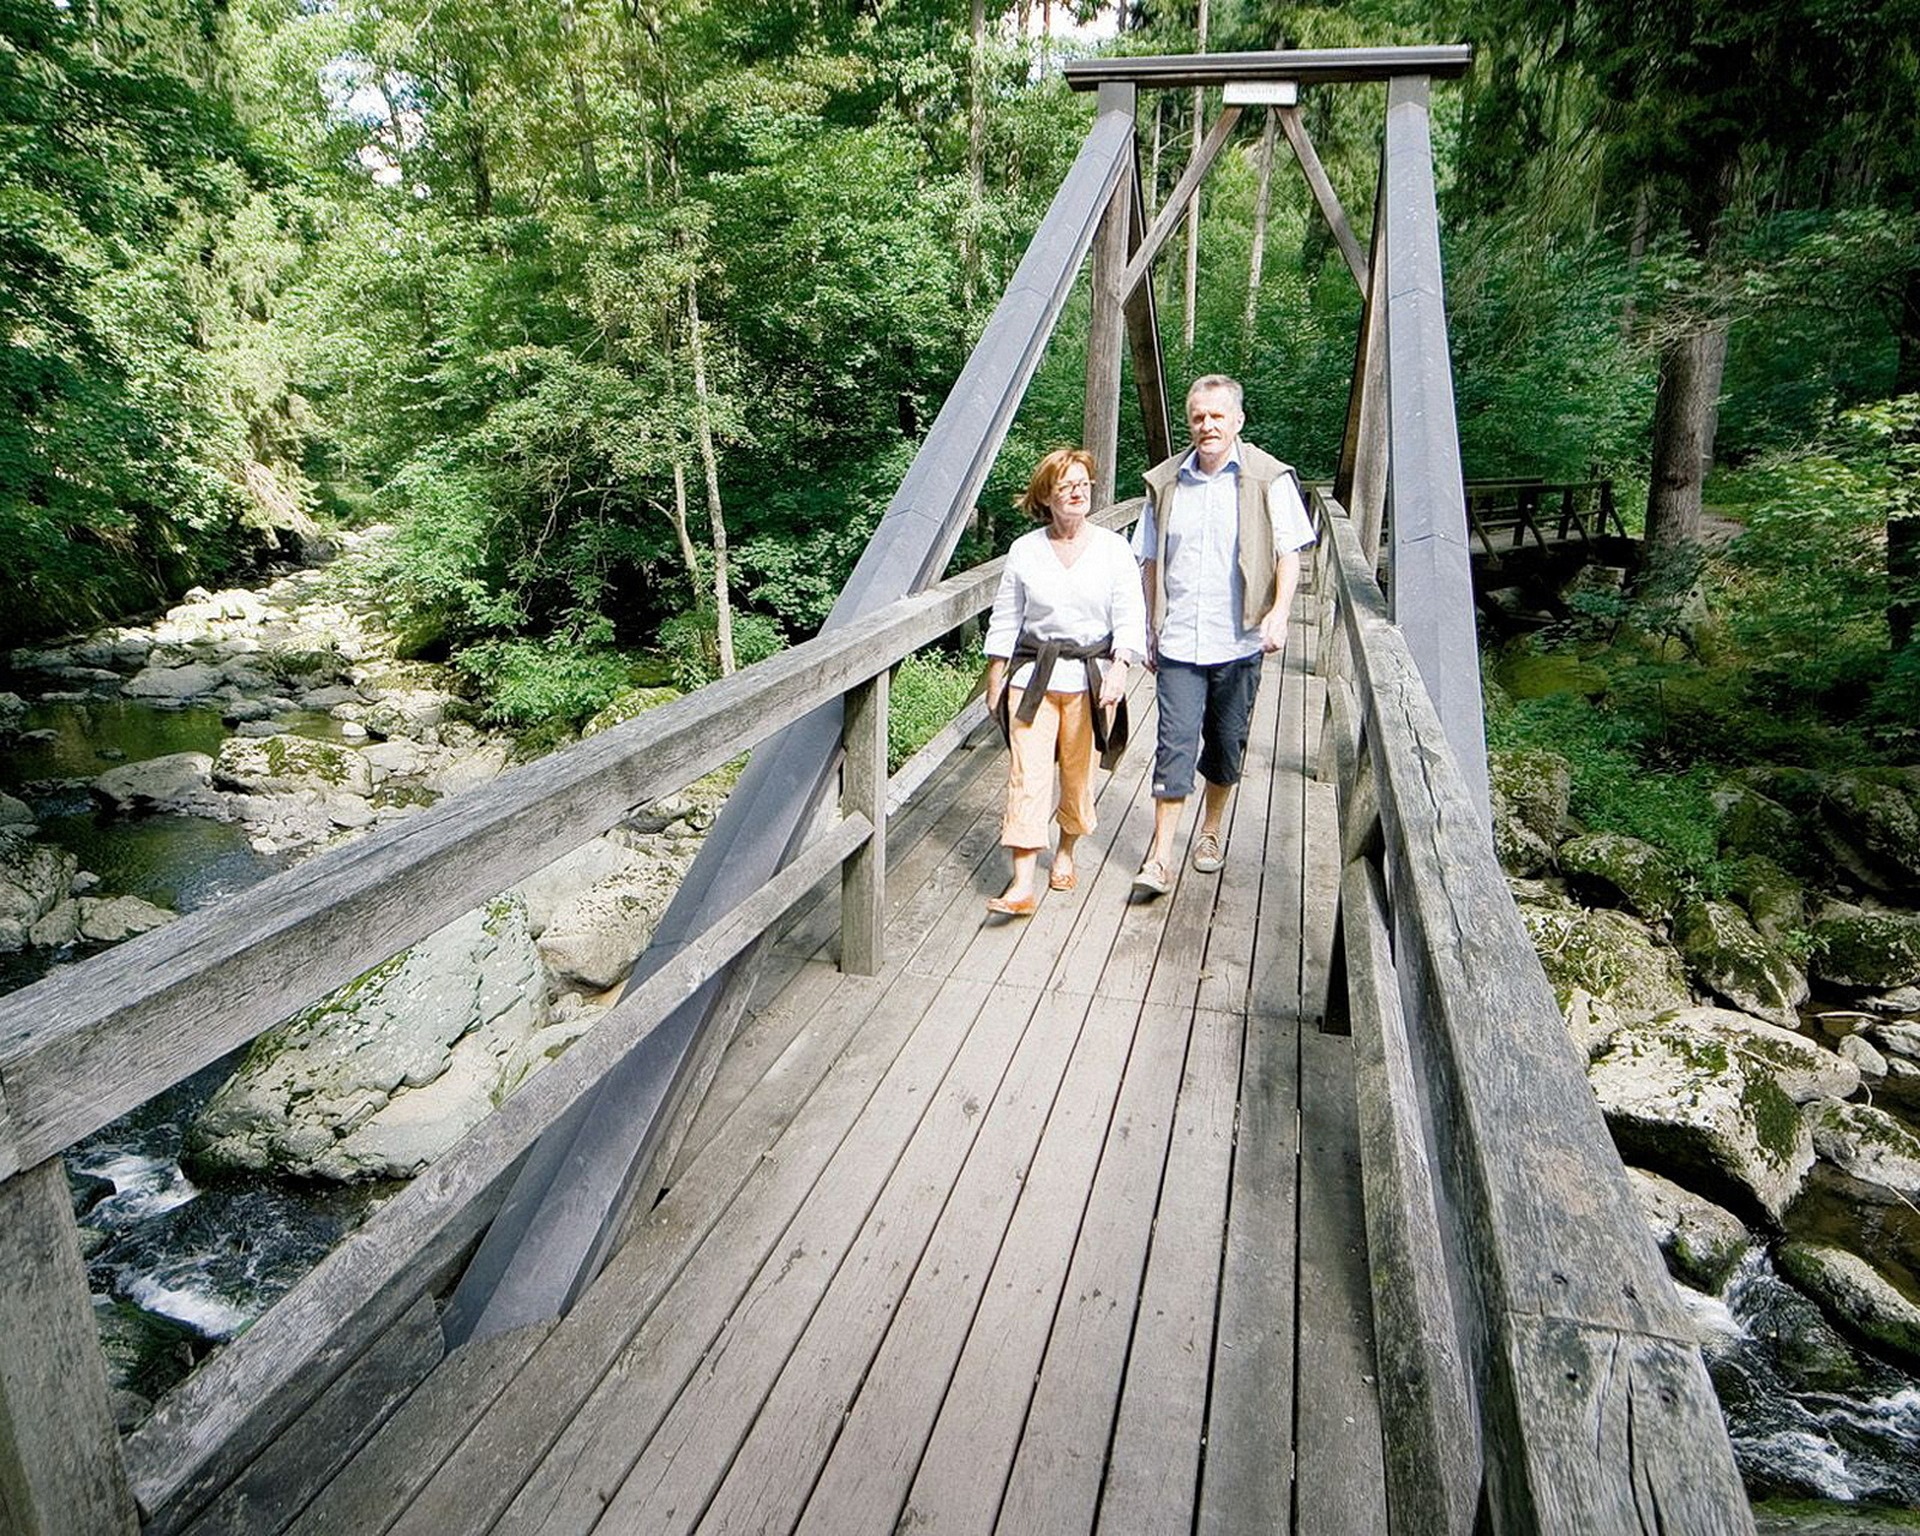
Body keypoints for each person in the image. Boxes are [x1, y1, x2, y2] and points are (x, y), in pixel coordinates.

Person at [1130, 374, 1316, 896]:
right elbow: (1147, 560)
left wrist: (1279, 613)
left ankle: (1209, 831)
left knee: (1227, 742)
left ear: (1237, 421)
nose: (1207, 425)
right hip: (1179, 641)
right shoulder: (1165, 482)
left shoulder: (1267, 478)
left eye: (1217, 416)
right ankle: (1160, 855)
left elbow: (1289, 554)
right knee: (1175, 743)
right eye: (1198, 417)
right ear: (1189, 423)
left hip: (1239, 639)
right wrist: (1148, 623)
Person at [981, 448, 1147, 916]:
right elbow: (1007, 617)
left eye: (1083, 484)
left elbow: (1131, 615)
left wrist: (1120, 667)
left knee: (1077, 777)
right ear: (1046, 496)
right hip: (1032, 678)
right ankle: (1021, 885)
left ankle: (1068, 851)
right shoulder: (1025, 550)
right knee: (1026, 778)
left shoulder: (1114, 549)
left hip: (1090, 680)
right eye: (1065, 485)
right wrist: (996, 674)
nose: (1077, 492)